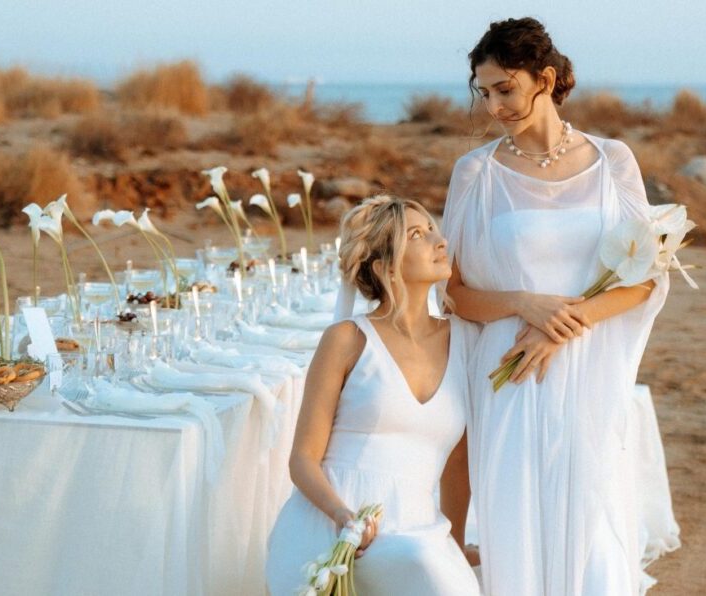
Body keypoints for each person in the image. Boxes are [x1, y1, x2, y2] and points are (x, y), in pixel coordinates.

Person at [441, 17, 678, 595]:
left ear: (544, 79)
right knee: (518, 517)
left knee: (592, 520)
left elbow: (646, 277)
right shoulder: (475, 174)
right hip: (510, 373)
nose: (494, 105)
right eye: (484, 91)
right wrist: (526, 303)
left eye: (505, 89)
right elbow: (453, 293)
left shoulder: (613, 161)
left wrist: (564, 325)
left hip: (587, 366)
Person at [266, 196, 480, 595]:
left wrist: (456, 542)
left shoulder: (466, 340)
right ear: (386, 267)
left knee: (438, 573)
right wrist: (343, 517)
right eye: (417, 235)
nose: (439, 241)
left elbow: (458, 461)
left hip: (418, 532)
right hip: (331, 532)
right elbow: (303, 459)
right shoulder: (346, 340)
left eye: (433, 229)